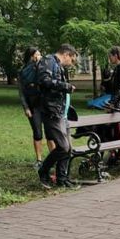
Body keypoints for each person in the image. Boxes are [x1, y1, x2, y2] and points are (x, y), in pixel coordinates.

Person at [37, 44, 79, 189]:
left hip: (62, 112)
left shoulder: (59, 66)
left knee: (68, 148)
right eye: (72, 60)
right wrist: (65, 86)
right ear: (66, 54)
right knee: (63, 146)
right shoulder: (48, 61)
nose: (71, 63)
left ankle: (62, 178)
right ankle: (43, 171)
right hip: (51, 111)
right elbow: (44, 81)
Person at [18, 46, 54, 169]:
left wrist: (39, 64)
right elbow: (21, 92)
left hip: (46, 104)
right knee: (38, 133)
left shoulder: (42, 67)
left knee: (50, 133)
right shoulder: (23, 71)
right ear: (31, 56)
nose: (40, 56)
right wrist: (26, 108)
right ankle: (39, 160)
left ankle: (54, 157)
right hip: (33, 105)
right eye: (38, 54)